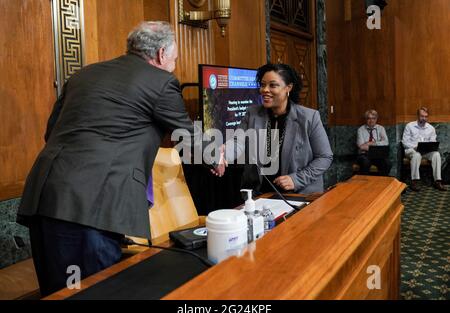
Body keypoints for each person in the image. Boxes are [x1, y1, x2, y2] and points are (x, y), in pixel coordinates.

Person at [16, 21, 205, 296]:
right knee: (95, 291)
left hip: (44, 196)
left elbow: (51, 132)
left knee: (58, 291)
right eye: (174, 60)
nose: (173, 66)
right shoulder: (161, 81)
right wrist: (218, 158)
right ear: (162, 54)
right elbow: (190, 138)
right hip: (92, 207)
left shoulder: (83, 75)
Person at [213, 63, 333, 194]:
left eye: (272, 85)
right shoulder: (252, 113)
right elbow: (237, 143)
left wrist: (297, 179)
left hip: (300, 195)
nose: (265, 90)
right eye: (263, 84)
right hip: (260, 195)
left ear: (288, 88)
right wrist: (224, 154)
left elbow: (324, 157)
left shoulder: (309, 117)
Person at [402, 107, 446, 191]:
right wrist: (415, 146)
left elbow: (433, 142)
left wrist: (430, 147)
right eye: (422, 116)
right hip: (412, 150)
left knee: (436, 154)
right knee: (417, 155)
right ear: (417, 116)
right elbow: (405, 142)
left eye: (426, 116)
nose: (424, 118)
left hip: (426, 151)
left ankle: (437, 181)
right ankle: (414, 181)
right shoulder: (409, 126)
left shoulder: (431, 128)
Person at [356, 109, 391, 176]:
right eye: (369, 118)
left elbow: (386, 142)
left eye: (373, 118)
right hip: (364, 155)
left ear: (376, 119)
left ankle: (380, 182)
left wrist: (372, 143)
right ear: (366, 119)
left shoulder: (381, 128)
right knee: (365, 163)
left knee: (387, 163)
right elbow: (361, 146)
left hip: (377, 155)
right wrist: (378, 145)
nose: (371, 120)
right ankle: (365, 184)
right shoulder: (360, 130)